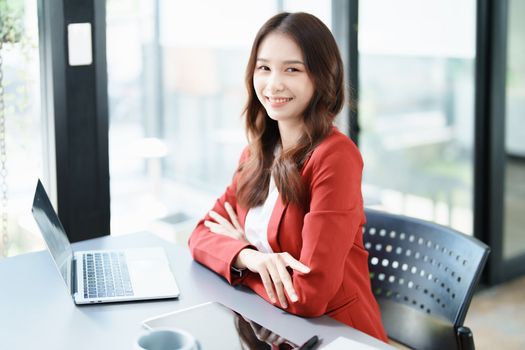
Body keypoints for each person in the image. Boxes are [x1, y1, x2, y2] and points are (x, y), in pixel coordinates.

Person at [188, 12, 387, 342]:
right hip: (272, 327)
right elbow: (199, 235)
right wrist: (248, 256)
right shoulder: (256, 154)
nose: (273, 83)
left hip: (335, 335)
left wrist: (236, 266)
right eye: (264, 68)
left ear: (322, 77)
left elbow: (309, 295)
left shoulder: (335, 157)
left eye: (292, 69)